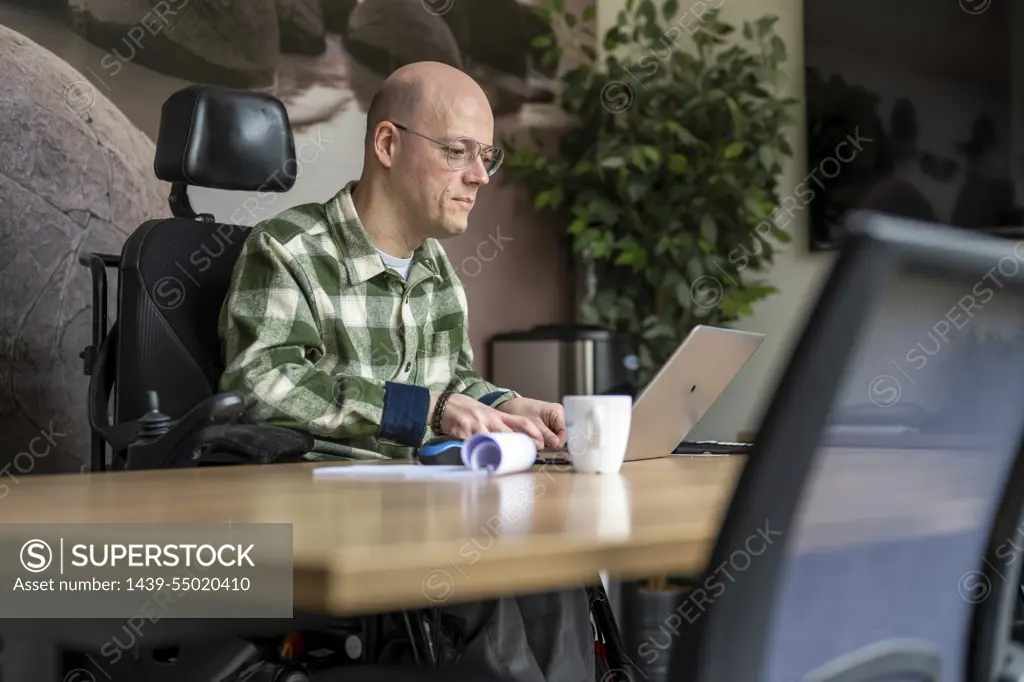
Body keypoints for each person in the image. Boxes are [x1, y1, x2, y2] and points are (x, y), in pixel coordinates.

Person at [218, 60, 567, 461]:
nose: (480, 176)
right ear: (387, 145)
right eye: (458, 151)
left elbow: (450, 380)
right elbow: (262, 386)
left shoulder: (436, 268)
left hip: (419, 503)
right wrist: (421, 410)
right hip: (319, 506)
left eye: (486, 157)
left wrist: (503, 406)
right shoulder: (288, 249)